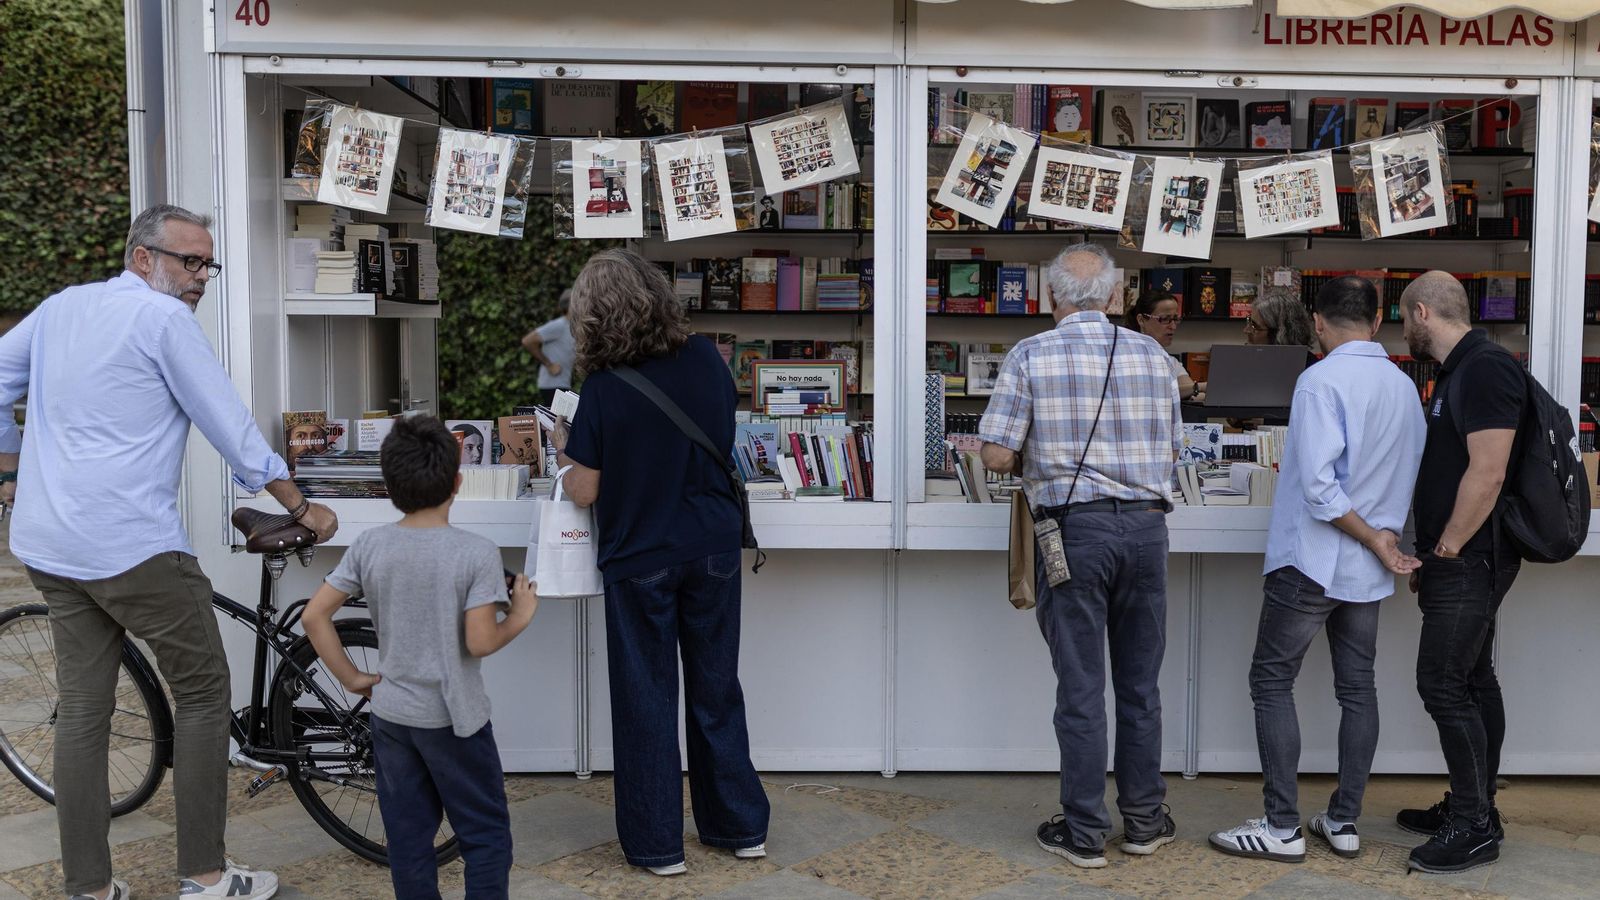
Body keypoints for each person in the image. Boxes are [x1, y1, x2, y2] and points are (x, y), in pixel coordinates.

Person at [0, 204, 338, 900]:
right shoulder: (162, 321)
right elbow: (231, 427)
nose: (200, 277)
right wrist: (301, 505)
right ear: (141, 258)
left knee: (84, 709)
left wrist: (10, 471)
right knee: (205, 693)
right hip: (130, 546)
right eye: (189, 260)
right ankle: (208, 876)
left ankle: (90, 888)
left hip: (49, 543)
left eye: (207, 263)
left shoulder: (63, 307)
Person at [549, 248, 769, 876]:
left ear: (593, 316)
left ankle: (657, 846)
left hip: (641, 554)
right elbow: (720, 434)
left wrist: (562, 456)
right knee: (717, 690)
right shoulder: (705, 357)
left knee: (646, 700)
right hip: (714, 547)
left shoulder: (604, 388)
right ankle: (738, 827)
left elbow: (586, 490)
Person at [1208, 276, 1426, 863]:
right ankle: (1344, 819)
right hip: (1367, 568)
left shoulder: (1320, 380)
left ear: (1319, 323)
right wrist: (1386, 543)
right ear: (1378, 322)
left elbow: (1319, 491)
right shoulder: (1405, 387)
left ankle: (1281, 826)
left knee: (1271, 681)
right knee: (1358, 687)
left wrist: (1375, 542)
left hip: (1314, 560)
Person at [979, 243, 1182, 868]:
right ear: (1118, 298)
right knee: (1141, 687)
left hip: (1074, 535)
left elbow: (996, 455)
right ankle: (1145, 822)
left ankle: (1086, 830)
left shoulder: (1031, 353)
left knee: (1082, 687)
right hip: (1147, 532)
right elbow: (1174, 448)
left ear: (1051, 297)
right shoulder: (1154, 355)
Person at [302, 414, 537, 899]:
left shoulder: (371, 544)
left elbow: (314, 617)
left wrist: (352, 678)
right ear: (457, 481)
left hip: (392, 715)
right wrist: (518, 616)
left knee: (408, 841)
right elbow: (478, 642)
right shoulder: (475, 553)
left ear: (389, 487)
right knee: (485, 835)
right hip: (455, 720)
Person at [1396, 271, 1525, 874]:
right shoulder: (1461, 370)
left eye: (1403, 319)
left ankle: (1473, 825)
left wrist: (1445, 547)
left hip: (1471, 557)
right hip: (1459, 557)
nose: (1404, 332)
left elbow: (1489, 471)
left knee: (1443, 685)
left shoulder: (1485, 368)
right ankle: (1475, 808)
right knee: (1472, 682)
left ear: (1422, 313)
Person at [1127, 291, 1204, 402]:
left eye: (1175, 319)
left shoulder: (1170, 361)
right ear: (1141, 320)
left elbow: (1194, 393)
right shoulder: (1124, 357)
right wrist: (1199, 387)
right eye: (1164, 319)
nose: (1172, 326)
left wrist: (1201, 389)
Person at [521, 289, 576, 406]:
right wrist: (549, 365)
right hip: (553, 385)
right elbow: (527, 341)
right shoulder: (559, 325)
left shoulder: (572, 326)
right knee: (558, 422)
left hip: (563, 384)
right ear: (570, 305)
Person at [1244, 292, 1317, 352]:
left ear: (1280, 334)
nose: (1246, 330)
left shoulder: (1311, 368)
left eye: (1254, 326)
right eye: (1249, 321)